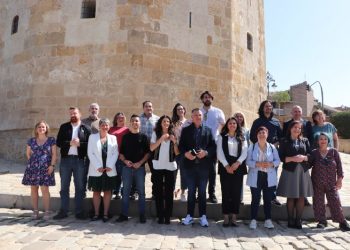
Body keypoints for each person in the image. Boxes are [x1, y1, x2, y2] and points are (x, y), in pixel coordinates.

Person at [179, 108, 216, 227]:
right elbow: (181, 146)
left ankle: (203, 216)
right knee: (190, 193)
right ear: (191, 117)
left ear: (202, 117)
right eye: (195, 115)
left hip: (203, 167)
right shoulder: (185, 130)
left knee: (202, 192)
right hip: (189, 166)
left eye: (199, 115)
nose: (198, 117)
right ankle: (189, 215)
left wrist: (205, 152)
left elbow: (213, 147)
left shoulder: (208, 130)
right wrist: (186, 154)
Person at [54, 107, 91, 220]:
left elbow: (90, 145)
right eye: (71, 114)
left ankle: (79, 211)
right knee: (64, 186)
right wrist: (69, 143)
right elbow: (59, 142)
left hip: (79, 160)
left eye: (74, 113)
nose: (72, 115)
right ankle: (63, 211)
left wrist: (81, 144)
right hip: (66, 160)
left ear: (80, 114)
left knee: (79, 187)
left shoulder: (86, 128)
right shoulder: (64, 127)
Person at [309, 133, 350, 231]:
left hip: (331, 183)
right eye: (320, 139)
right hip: (317, 182)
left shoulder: (334, 152)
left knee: (335, 201)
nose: (323, 141)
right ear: (317, 141)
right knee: (318, 202)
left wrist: (339, 179)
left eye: (325, 139)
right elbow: (308, 165)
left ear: (328, 141)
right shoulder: (314, 153)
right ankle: (322, 221)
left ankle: (342, 221)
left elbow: (339, 167)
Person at [276, 121, 313, 229]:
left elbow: (310, 155)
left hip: (303, 171)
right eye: (295, 127)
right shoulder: (284, 141)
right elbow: (281, 157)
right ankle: (290, 219)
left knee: (301, 196)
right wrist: (293, 158)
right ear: (290, 128)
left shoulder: (305, 141)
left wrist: (304, 157)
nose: (297, 129)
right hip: (290, 171)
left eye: (299, 128)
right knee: (291, 196)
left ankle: (298, 219)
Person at [116, 114, 150, 223]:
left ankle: (142, 215)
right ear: (130, 123)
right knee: (125, 192)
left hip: (139, 168)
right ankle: (124, 214)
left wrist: (140, 163)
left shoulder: (144, 137)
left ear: (140, 123)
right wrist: (125, 161)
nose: (135, 123)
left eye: (137, 121)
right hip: (126, 168)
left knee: (141, 192)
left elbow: (148, 153)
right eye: (133, 121)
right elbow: (121, 154)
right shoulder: (126, 137)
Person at [246, 126, 280, 230]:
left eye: (264, 133)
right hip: (256, 175)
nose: (262, 134)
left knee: (267, 199)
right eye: (260, 133)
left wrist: (270, 164)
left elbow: (277, 161)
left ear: (267, 134)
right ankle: (253, 220)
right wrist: (257, 164)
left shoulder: (272, 147)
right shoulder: (251, 147)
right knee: (255, 199)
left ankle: (268, 220)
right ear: (257, 135)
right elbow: (247, 161)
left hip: (268, 176)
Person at [250, 100, 282, 206]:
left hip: (272, 152)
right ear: (262, 108)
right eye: (266, 106)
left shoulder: (276, 122)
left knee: (273, 175)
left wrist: (276, 144)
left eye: (270, 107)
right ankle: (257, 198)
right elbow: (252, 137)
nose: (268, 108)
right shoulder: (257, 122)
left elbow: (281, 136)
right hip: (259, 152)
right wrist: (260, 145)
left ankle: (272, 197)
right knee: (259, 175)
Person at [22, 121, 57, 220]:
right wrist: (32, 163)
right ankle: (35, 211)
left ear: (46, 129)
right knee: (33, 189)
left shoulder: (51, 140)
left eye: (43, 127)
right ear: (36, 129)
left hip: (46, 168)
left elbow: (54, 154)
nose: (41, 128)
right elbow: (28, 153)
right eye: (39, 127)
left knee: (45, 189)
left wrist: (52, 166)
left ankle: (47, 211)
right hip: (33, 168)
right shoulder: (31, 140)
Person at [217, 117, 248, 227]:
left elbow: (245, 151)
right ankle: (225, 216)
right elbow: (219, 152)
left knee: (236, 192)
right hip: (225, 165)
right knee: (225, 192)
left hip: (238, 165)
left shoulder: (241, 137)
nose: (232, 125)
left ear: (237, 125)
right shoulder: (221, 137)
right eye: (230, 123)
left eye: (234, 123)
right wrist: (226, 166)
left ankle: (234, 216)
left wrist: (237, 163)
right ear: (227, 125)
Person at [87, 118, 118, 222]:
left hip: (109, 169)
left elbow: (115, 153)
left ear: (109, 127)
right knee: (96, 191)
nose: (105, 127)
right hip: (97, 169)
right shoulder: (92, 137)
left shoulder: (113, 138)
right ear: (99, 126)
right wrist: (97, 166)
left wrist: (110, 165)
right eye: (103, 125)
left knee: (107, 191)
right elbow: (90, 153)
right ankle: (96, 214)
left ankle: (105, 214)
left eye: (107, 125)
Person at [150, 115, 179, 224]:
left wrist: (174, 142)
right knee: (158, 192)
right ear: (160, 123)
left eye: (168, 121)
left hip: (170, 166)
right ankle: (160, 215)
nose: (166, 123)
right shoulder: (155, 134)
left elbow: (177, 153)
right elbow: (152, 148)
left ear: (170, 123)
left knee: (169, 192)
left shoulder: (174, 134)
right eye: (164, 121)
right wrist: (161, 139)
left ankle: (167, 216)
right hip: (157, 165)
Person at [282, 105, 313, 207]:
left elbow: (310, 139)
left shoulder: (307, 123)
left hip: (303, 153)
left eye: (299, 111)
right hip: (290, 158)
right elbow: (285, 138)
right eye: (295, 111)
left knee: (301, 185)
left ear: (301, 112)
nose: (297, 113)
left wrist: (306, 156)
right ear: (292, 112)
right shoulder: (286, 123)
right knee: (292, 188)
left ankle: (304, 198)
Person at [200, 91, 225, 203]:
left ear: (212, 99)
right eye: (205, 97)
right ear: (202, 99)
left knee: (212, 170)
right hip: (200, 142)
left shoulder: (218, 111)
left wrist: (218, 135)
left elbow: (223, 125)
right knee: (199, 170)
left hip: (212, 143)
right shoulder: (198, 111)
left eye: (209, 97)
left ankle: (212, 194)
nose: (207, 99)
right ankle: (200, 194)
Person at [140, 101, 159, 199]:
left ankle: (155, 193)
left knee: (154, 171)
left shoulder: (158, 119)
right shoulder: (138, 119)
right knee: (139, 171)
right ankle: (137, 193)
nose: (149, 108)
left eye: (150, 106)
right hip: (140, 149)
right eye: (146, 106)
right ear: (143, 108)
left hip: (154, 149)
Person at [172, 103, 191, 202]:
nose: (180, 111)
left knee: (184, 172)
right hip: (174, 149)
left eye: (182, 109)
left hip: (184, 149)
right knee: (173, 171)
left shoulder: (188, 122)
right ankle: (171, 190)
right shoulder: (173, 123)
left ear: (184, 110)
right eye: (178, 109)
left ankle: (183, 192)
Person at [81, 103, 101, 197]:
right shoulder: (83, 122)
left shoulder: (102, 122)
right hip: (85, 152)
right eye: (92, 108)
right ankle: (83, 191)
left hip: (97, 152)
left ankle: (96, 191)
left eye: (96, 109)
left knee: (97, 172)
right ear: (89, 110)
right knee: (84, 172)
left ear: (98, 110)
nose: (94, 110)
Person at [109, 112, 129, 200]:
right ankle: (116, 192)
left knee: (123, 175)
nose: (121, 119)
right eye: (119, 118)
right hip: (113, 156)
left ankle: (123, 192)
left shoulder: (128, 129)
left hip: (124, 156)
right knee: (115, 175)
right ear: (115, 119)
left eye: (122, 117)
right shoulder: (110, 129)